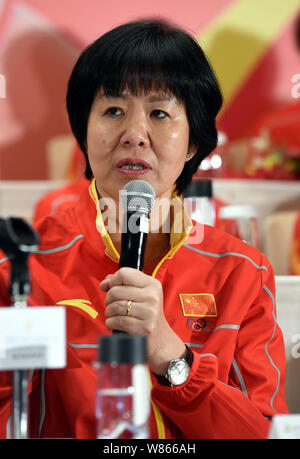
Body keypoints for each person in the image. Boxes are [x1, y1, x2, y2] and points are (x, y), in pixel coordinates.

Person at [0, 19, 288, 439]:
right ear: (84, 129)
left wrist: (174, 361)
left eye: (159, 113)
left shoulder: (241, 272)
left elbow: (264, 433)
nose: (135, 135)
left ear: (193, 142)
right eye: (113, 110)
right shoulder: (22, 265)